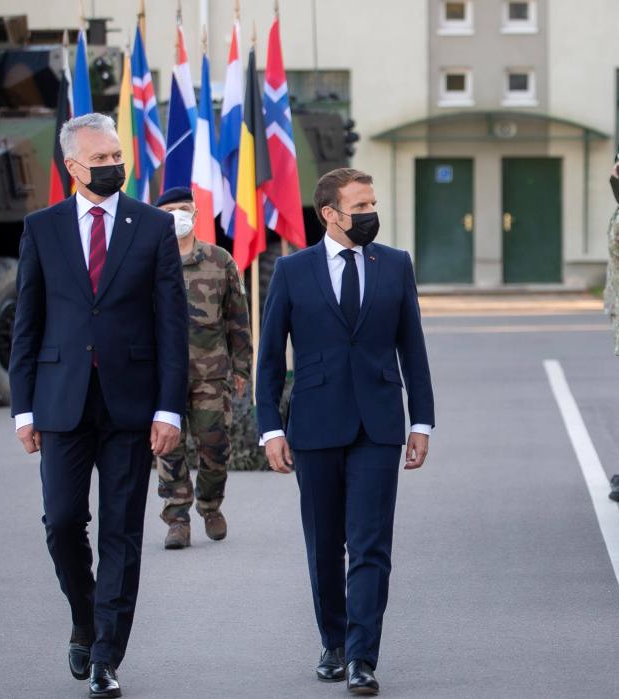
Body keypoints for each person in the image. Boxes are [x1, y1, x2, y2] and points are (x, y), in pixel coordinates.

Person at [8, 112, 188, 698]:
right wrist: (22, 408)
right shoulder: (42, 228)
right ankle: (84, 618)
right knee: (62, 522)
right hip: (60, 402)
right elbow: (28, 322)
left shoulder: (153, 226)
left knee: (122, 532)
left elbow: (172, 325)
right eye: (100, 159)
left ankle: (107, 655)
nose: (113, 165)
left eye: (117, 156)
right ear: (72, 167)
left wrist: (169, 409)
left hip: (131, 405)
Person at [256, 167, 435, 696]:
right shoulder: (292, 270)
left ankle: (361, 656)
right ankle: (332, 642)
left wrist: (421, 421)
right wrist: (270, 428)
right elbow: (270, 358)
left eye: (372, 204)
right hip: (314, 425)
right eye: (360, 207)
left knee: (370, 544)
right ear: (329, 214)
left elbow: (413, 348)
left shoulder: (395, 265)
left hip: (378, 424)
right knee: (324, 544)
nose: (370, 214)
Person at [152, 186, 251, 549]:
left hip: (211, 374)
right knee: (168, 449)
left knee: (215, 446)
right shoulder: (148, 262)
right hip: (163, 377)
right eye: (169, 211)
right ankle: (177, 518)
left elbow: (237, 318)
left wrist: (242, 368)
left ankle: (210, 506)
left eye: (183, 209)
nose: (177, 216)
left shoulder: (219, 260)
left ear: (195, 214)